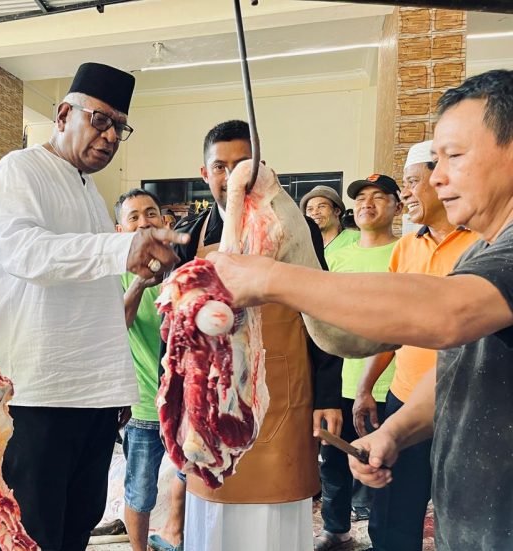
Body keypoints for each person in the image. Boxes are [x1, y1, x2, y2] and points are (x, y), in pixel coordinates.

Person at [206, 69, 513, 550]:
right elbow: (460, 364)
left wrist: (269, 277)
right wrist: (397, 428)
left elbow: (451, 316)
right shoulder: (483, 251)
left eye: (454, 156)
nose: (437, 178)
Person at [0, 62, 188, 551]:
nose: (111, 135)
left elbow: (92, 300)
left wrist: (111, 386)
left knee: (76, 530)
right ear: (64, 113)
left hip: (88, 399)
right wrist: (121, 249)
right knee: (35, 535)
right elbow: (25, 253)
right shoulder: (21, 169)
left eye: (120, 126)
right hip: (34, 396)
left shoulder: (91, 193)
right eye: (100, 120)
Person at [171, 120, 342, 551]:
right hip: (212, 395)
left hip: (282, 388)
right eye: (220, 167)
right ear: (205, 173)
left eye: (241, 165)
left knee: (275, 517)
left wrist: (327, 394)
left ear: (260, 168)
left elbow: (319, 309)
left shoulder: (293, 225)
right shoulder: (191, 236)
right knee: (213, 509)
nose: (232, 177)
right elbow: (173, 331)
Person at [351, 140, 478, 551]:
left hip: (465, 405)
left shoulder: (482, 243)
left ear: (443, 180)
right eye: (404, 184)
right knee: (392, 514)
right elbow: (393, 327)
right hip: (404, 397)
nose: (405, 193)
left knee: (464, 515)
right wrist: (367, 386)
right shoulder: (406, 247)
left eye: (411, 182)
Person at [315, 173, 401, 550]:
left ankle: (383, 537)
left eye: (379, 196)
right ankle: (336, 530)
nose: (368, 203)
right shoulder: (336, 254)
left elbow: (404, 324)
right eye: (361, 197)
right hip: (340, 381)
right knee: (332, 462)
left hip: (390, 385)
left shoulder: (407, 251)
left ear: (397, 205)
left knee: (385, 469)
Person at [113, 188, 183, 551]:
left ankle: (175, 533)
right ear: (120, 229)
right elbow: (117, 324)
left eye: (151, 213)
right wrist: (142, 281)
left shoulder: (183, 268)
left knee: (190, 475)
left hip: (187, 403)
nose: (144, 222)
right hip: (143, 405)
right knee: (140, 488)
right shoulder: (117, 274)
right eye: (134, 217)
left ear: (164, 220)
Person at [300, 185, 359, 255]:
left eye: (321, 206)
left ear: (337, 211)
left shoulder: (356, 239)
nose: (315, 212)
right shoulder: (305, 246)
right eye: (310, 209)